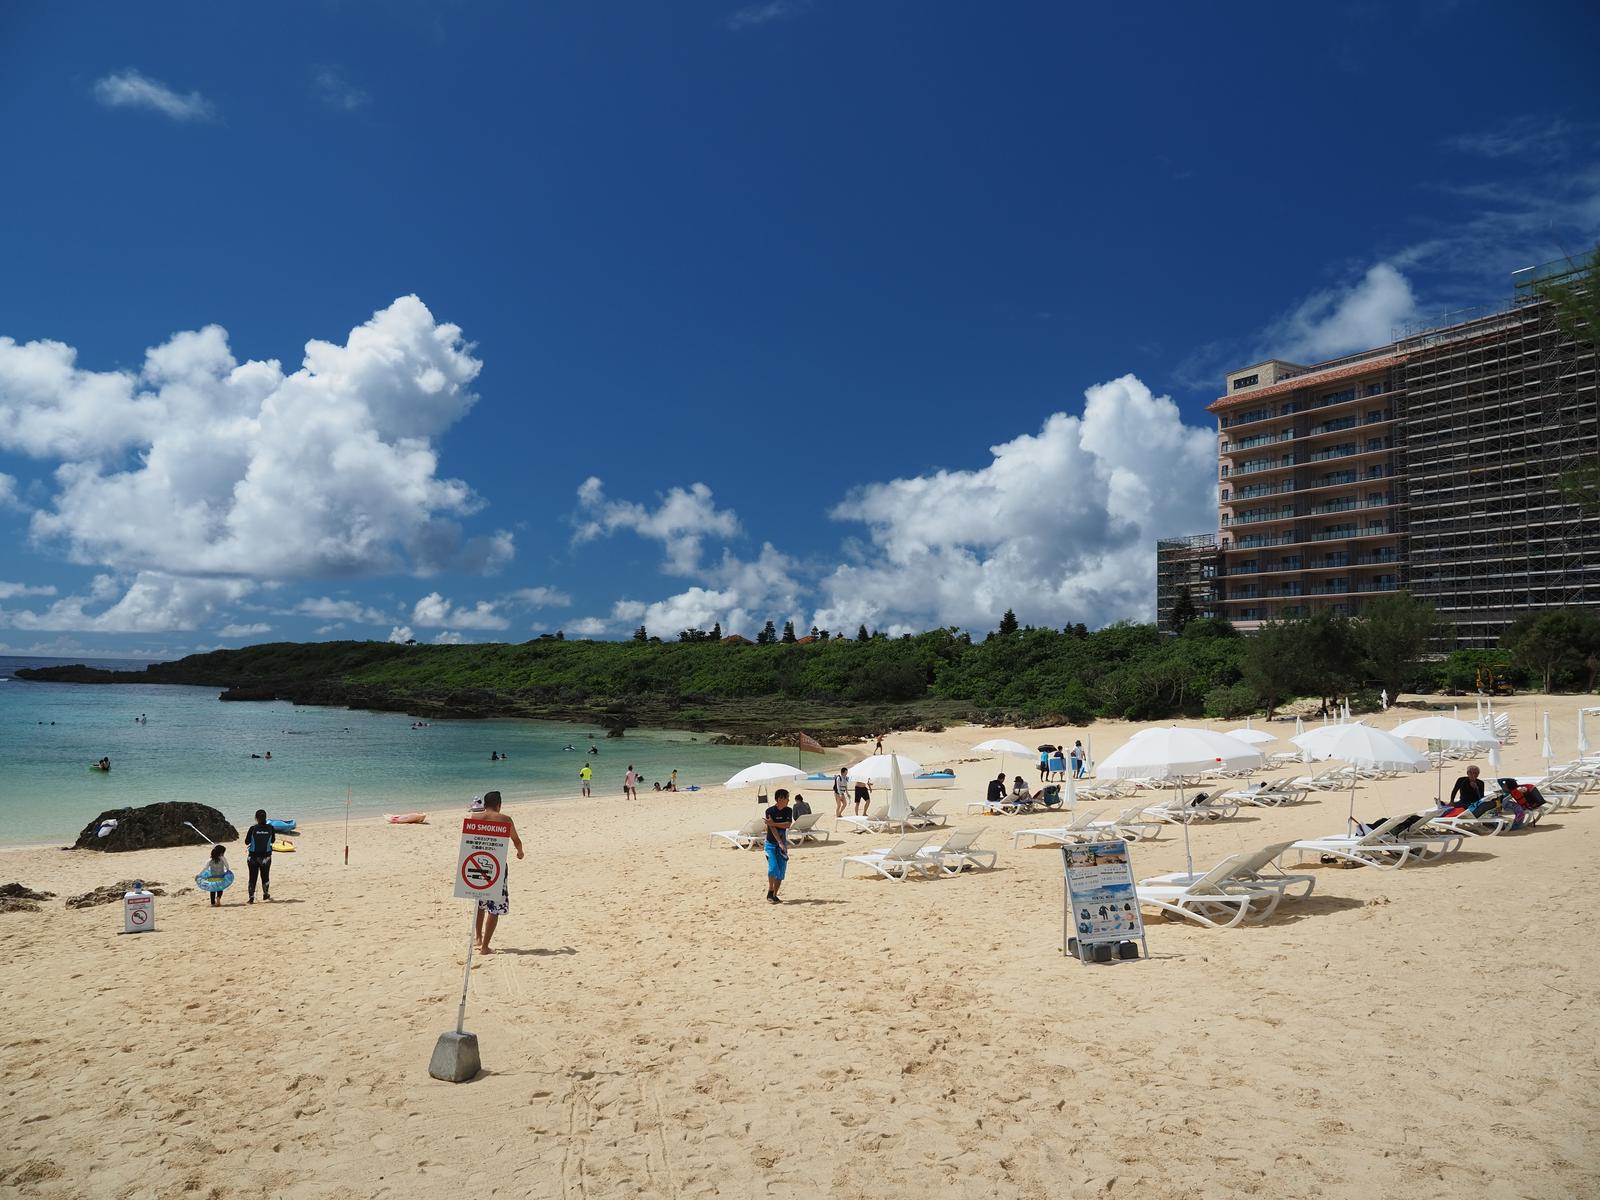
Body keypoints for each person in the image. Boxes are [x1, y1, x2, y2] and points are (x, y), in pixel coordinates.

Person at [473, 791, 524, 955]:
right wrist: (520, 852)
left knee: (480, 903)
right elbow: (516, 840)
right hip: (497, 865)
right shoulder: (505, 819)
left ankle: (478, 938)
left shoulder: (475, 817)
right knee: (494, 906)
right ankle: (485, 947)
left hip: (477, 863)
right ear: (499, 805)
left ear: (484, 804)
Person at [764, 788, 794, 904]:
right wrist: (780, 842)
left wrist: (774, 823)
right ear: (780, 799)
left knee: (781, 872)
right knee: (773, 868)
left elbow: (788, 825)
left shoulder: (788, 810)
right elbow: (772, 828)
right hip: (770, 845)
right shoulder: (769, 811)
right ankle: (770, 890)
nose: (788, 800)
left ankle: (774, 895)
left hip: (782, 846)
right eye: (787, 798)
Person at [242, 809, 276, 903]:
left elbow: (246, 842)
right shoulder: (271, 828)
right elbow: (273, 840)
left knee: (252, 877)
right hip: (266, 857)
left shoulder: (253, 828)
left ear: (256, 818)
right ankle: (265, 894)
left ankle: (251, 897)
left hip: (253, 857)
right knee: (265, 876)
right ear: (265, 817)